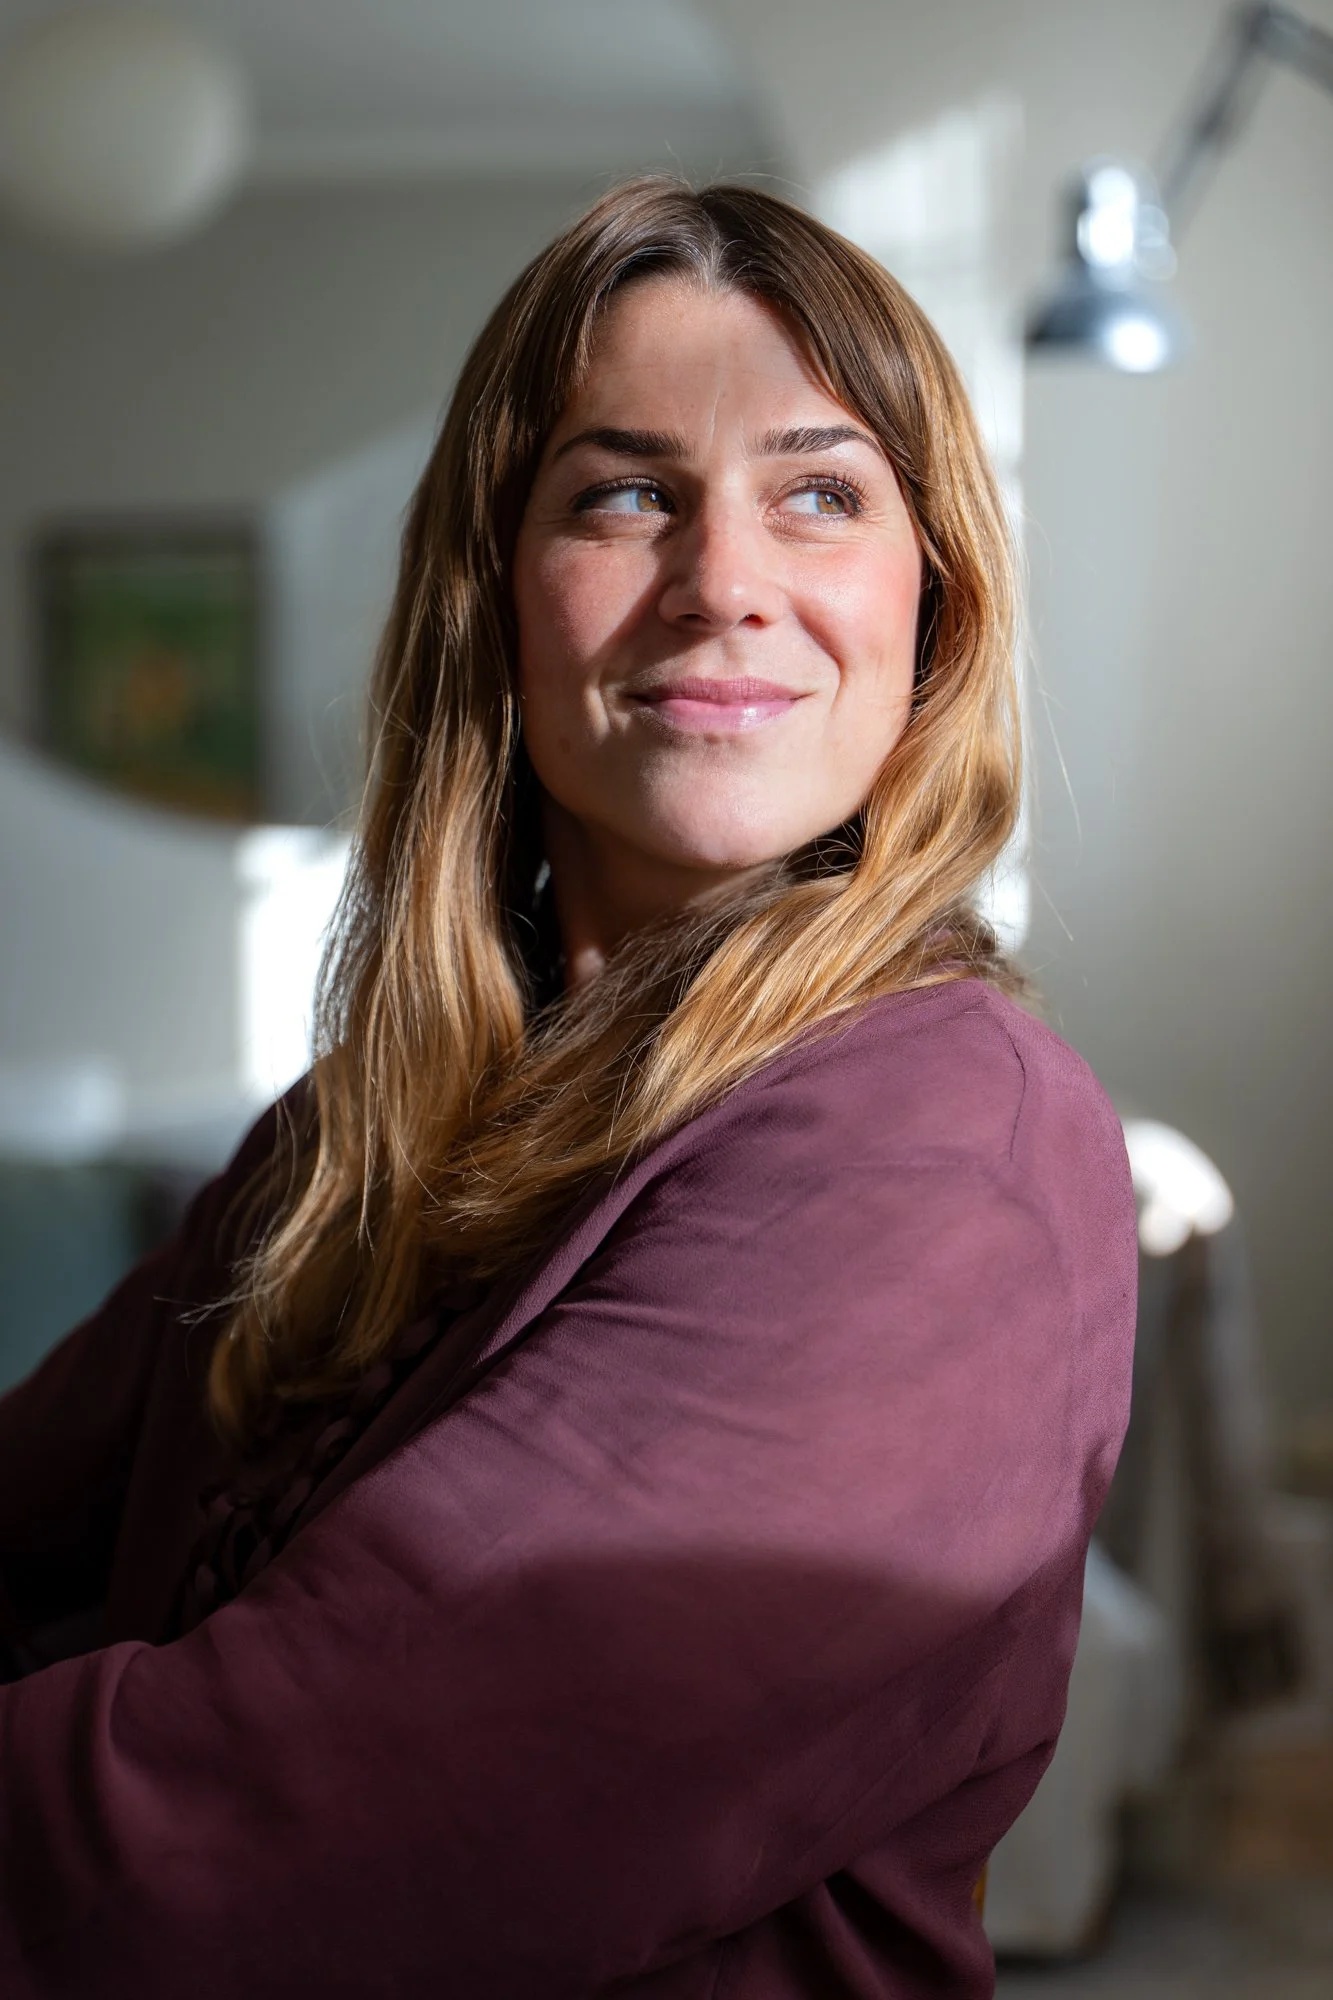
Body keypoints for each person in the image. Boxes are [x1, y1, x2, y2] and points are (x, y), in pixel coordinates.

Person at [0, 179, 1137, 1998]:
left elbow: (276, 1831)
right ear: (492, 596)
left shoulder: (937, 1152)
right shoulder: (354, 1136)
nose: (722, 582)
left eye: (821, 496)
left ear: (932, 609)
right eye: (624, 495)